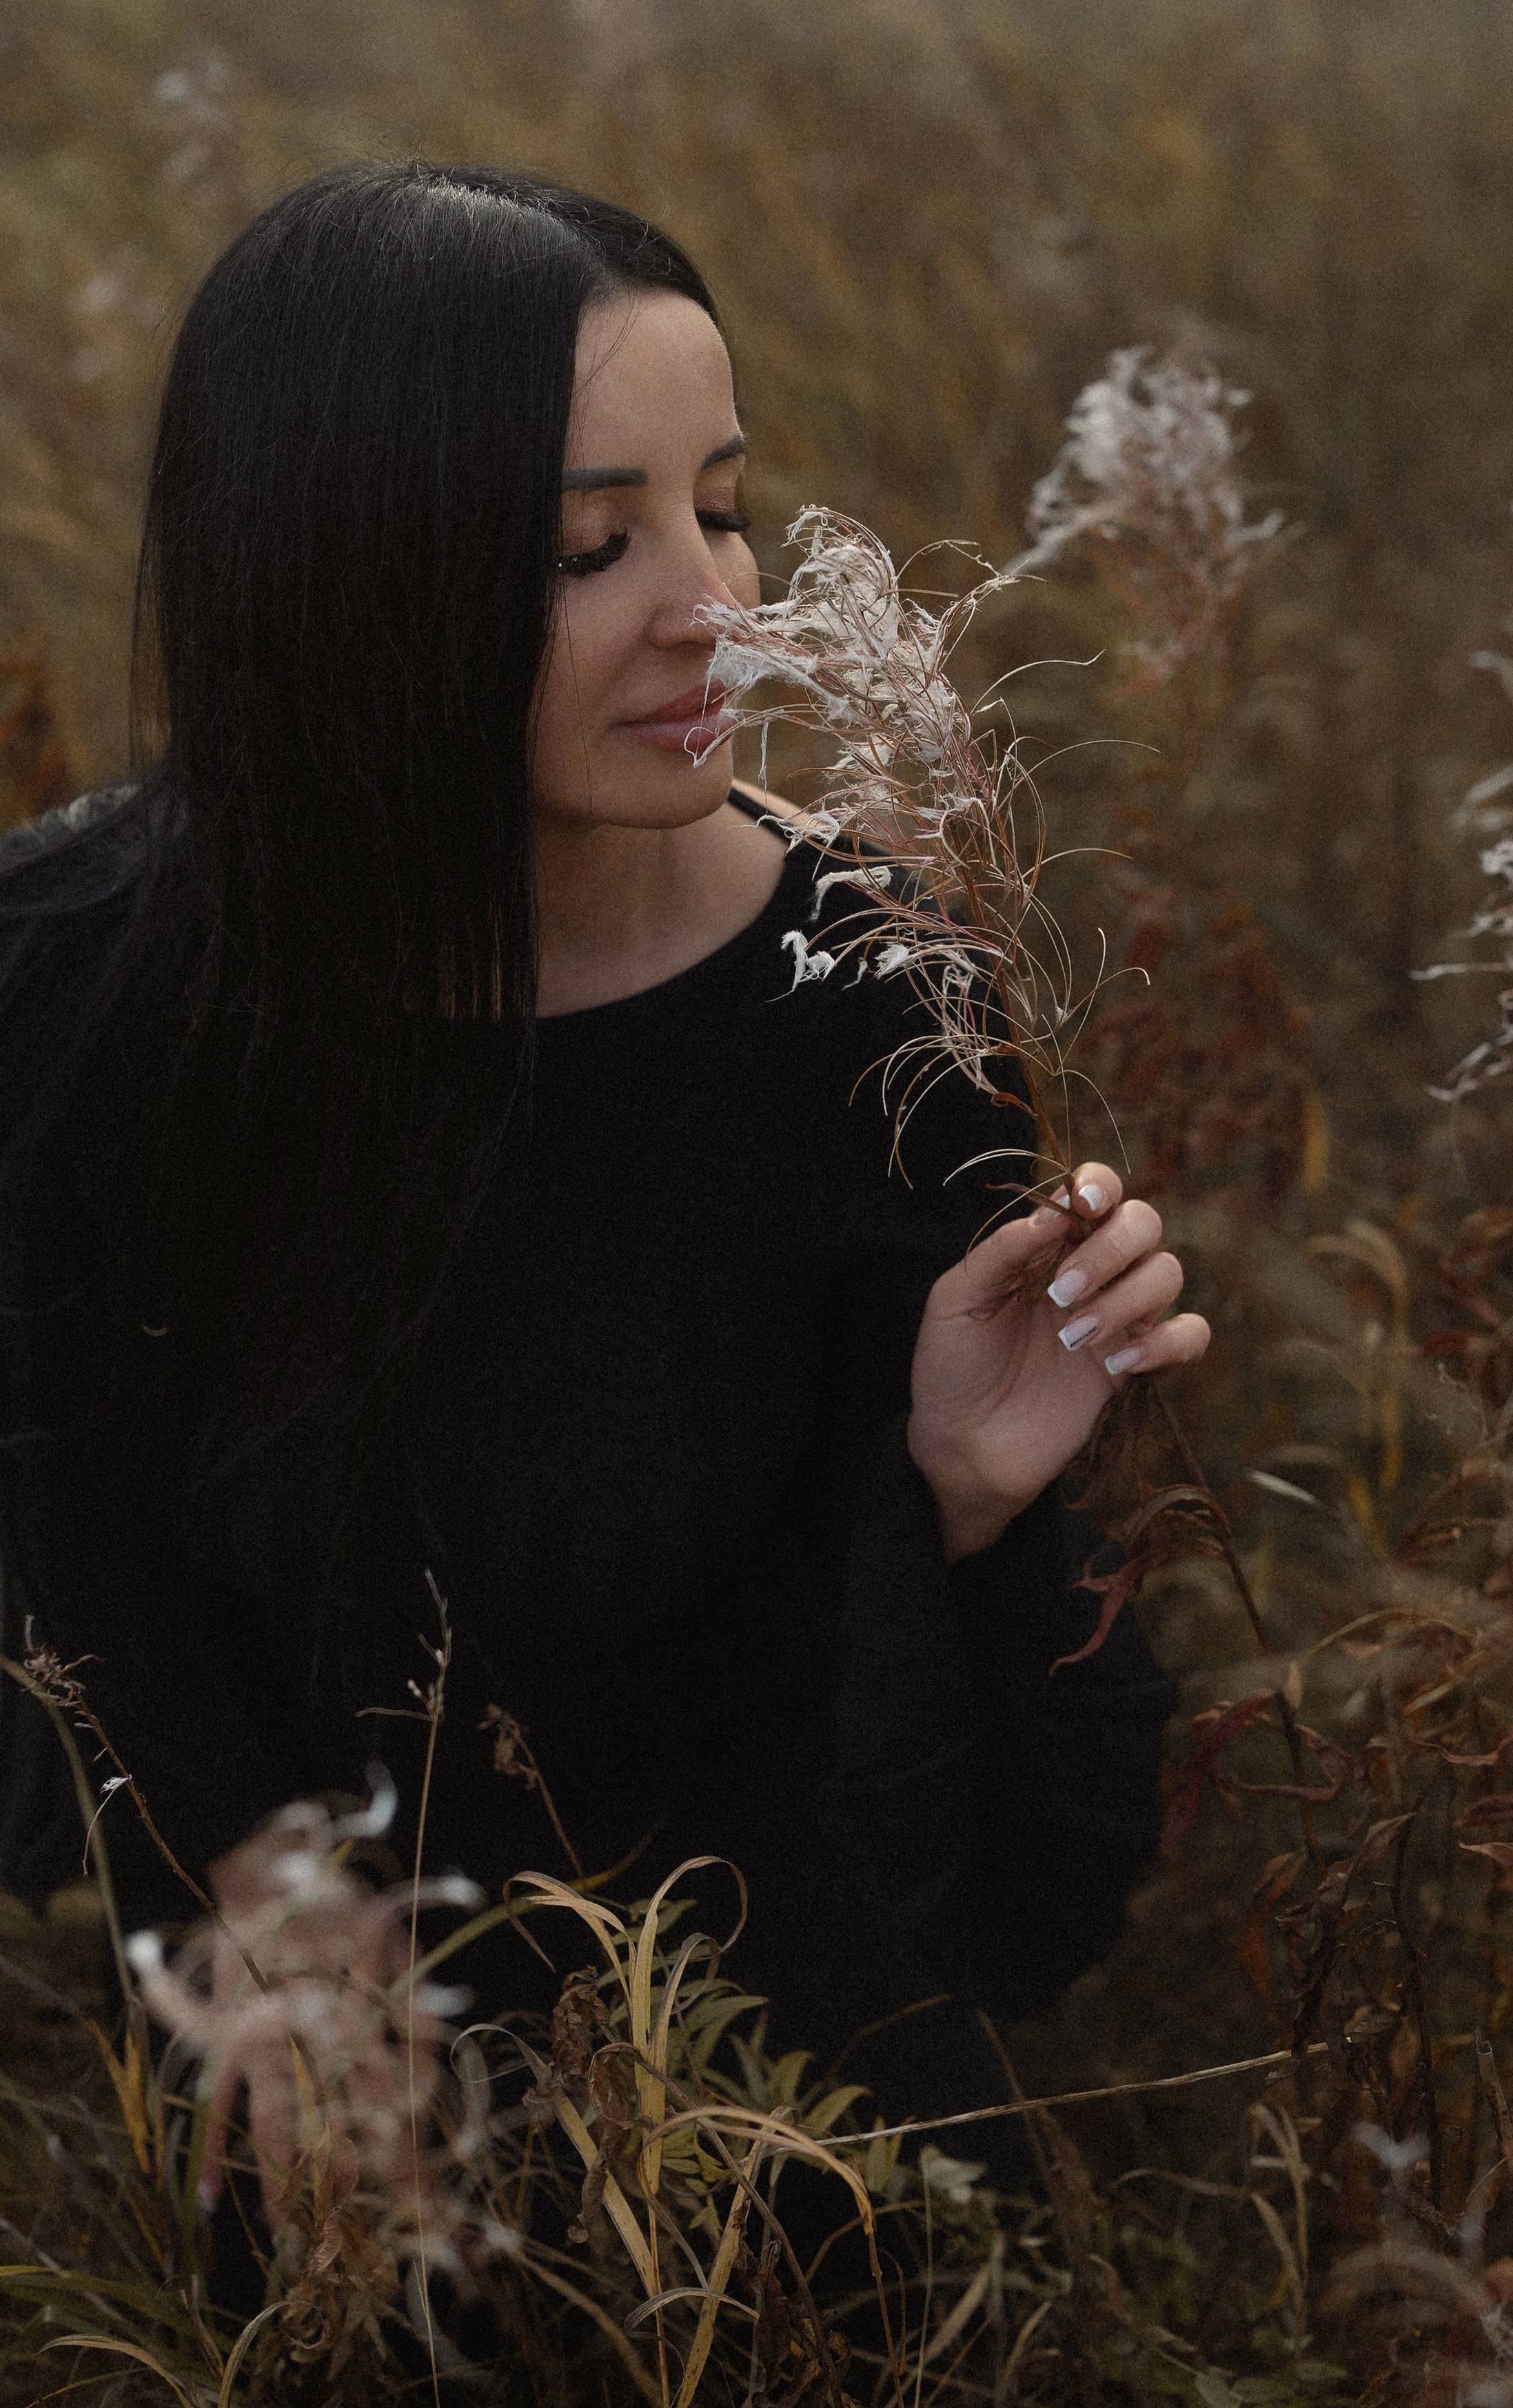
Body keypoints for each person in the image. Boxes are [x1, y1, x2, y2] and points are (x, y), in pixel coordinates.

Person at [0, 161, 1208, 2163]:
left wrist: (957, 1494)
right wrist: (257, 1883)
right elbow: (60, 1503)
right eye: (589, 545)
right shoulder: (73, 982)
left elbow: (940, 1828)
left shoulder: (865, 998)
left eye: (722, 506)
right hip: (302, 2022)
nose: (719, 607)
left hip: (753, 2033)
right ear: (339, 575)